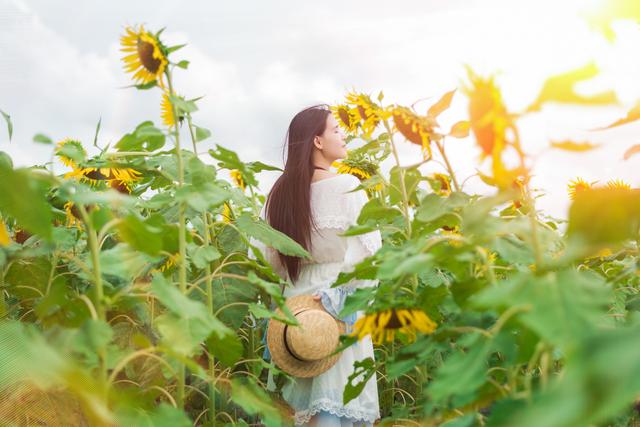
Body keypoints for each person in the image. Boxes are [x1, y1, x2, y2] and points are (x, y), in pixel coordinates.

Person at [247, 104, 382, 426]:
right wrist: (340, 296)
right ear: (317, 141)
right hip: (338, 299)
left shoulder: (279, 193)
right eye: (336, 130)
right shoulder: (347, 186)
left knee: (301, 406)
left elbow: (268, 260)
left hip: (296, 307)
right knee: (337, 399)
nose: (343, 134)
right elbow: (368, 256)